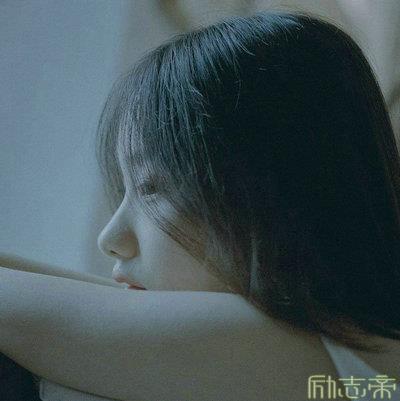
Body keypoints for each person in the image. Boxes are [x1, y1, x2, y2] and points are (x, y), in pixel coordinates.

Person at [1, 9, 400, 401]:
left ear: (274, 193)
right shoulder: (354, 350)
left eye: (153, 188)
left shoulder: (301, 354)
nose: (111, 238)